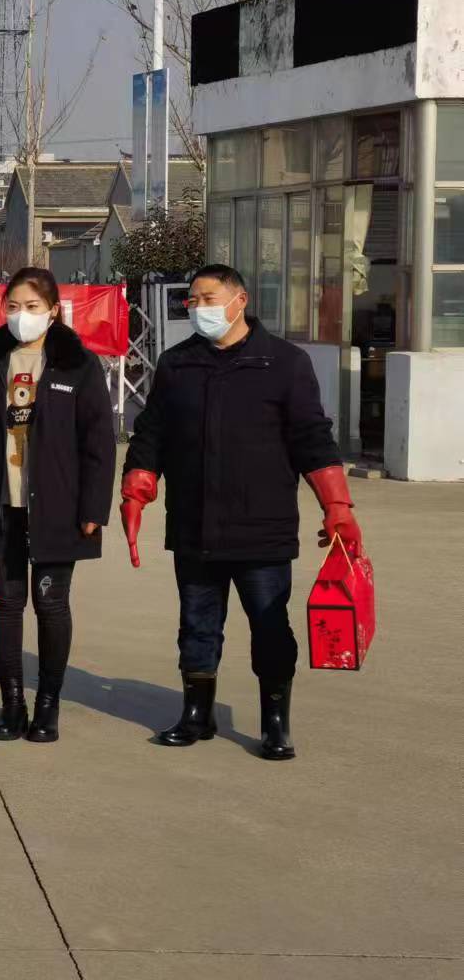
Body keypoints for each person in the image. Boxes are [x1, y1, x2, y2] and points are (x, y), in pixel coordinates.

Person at [122, 264, 362, 761]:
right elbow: (151, 433)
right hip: (195, 524)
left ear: (239, 300)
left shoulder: (284, 362)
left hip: (262, 527)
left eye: (208, 298)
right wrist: (137, 487)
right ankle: (197, 713)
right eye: (192, 301)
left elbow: (312, 438)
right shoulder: (177, 364)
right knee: (197, 624)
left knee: (270, 627)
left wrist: (337, 504)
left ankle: (275, 721)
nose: (198, 309)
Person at [0, 267, 115, 744]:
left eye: (33, 307)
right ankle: (12, 704)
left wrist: (93, 509)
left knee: (51, 603)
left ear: (54, 310)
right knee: (6, 603)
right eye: (14, 307)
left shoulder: (78, 364)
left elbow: (98, 443)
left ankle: (47, 705)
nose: (22, 315)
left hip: (58, 507)